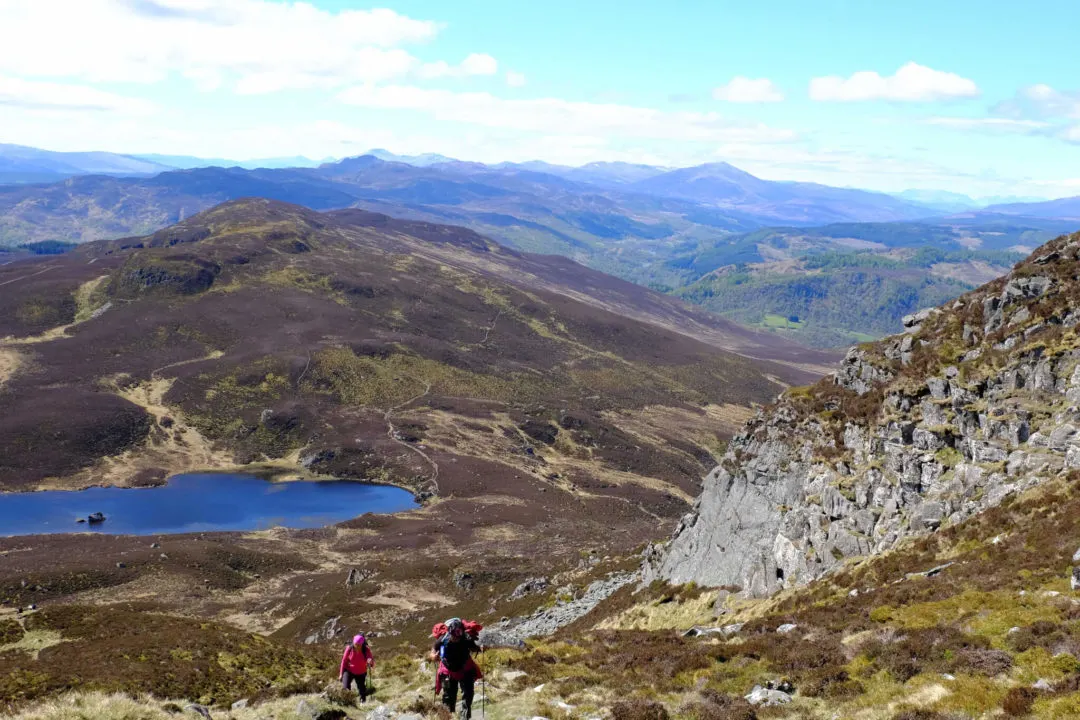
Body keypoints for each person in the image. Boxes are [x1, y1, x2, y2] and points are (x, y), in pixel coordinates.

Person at [430, 618, 484, 719]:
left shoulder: (466, 638)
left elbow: (474, 647)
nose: (455, 638)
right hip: (448, 671)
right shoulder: (443, 639)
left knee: (468, 696)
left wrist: (480, 649)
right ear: (449, 632)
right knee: (448, 698)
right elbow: (433, 650)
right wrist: (434, 656)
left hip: (465, 669)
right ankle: (448, 717)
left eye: (457, 636)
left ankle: (465, 717)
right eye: (453, 636)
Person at [339, 633, 374, 703]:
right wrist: (341, 674)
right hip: (349, 670)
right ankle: (348, 702)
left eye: (358, 645)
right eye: (355, 644)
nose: (356, 646)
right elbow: (344, 661)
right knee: (345, 687)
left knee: (362, 690)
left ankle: (363, 702)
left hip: (361, 672)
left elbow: (371, 662)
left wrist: (370, 662)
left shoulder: (366, 650)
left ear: (362, 644)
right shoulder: (349, 648)